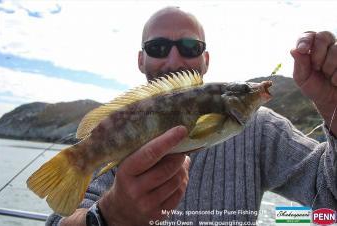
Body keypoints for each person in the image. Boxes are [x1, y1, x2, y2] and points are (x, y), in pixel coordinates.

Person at [46, 6, 337, 226]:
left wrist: (332, 106)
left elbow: (328, 196)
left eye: (189, 47)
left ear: (205, 59)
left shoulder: (261, 129)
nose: (174, 60)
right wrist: (109, 215)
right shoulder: (118, 131)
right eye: (158, 48)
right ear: (141, 59)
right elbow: (60, 220)